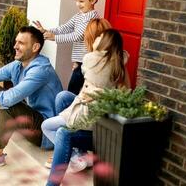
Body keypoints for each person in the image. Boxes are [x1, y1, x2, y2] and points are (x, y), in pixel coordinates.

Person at [0, 26, 63, 169]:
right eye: (16, 42)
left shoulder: (41, 70)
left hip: (46, 133)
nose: (15, 46)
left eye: (21, 43)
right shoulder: (18, 65)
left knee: (10, 103)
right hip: (31, 120)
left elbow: (9, 98)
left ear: (35, 47)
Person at [43, 28, 131, 186]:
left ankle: (73, 157)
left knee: (50, 127)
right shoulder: (120, 63)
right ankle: (78, 154)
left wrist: (97, 92)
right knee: (63, 97)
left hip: (89, 116)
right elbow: (125, 94)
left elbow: (86, 71)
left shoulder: (92, 59)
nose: (95, 40)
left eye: (99, 37)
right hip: (98, 114)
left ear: (105, 42)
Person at [33, 0, 100, 95]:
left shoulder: (92, 18)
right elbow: (64, 28)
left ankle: (69, 109)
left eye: (81, 1)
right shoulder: (79, 16)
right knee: (75, 89)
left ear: (93, 0)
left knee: (76, 91)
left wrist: (54, 38)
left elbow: (78, 36)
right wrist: (46, 31)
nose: (78, 4)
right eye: (76, 1)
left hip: (88, 62)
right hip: (80, 61)